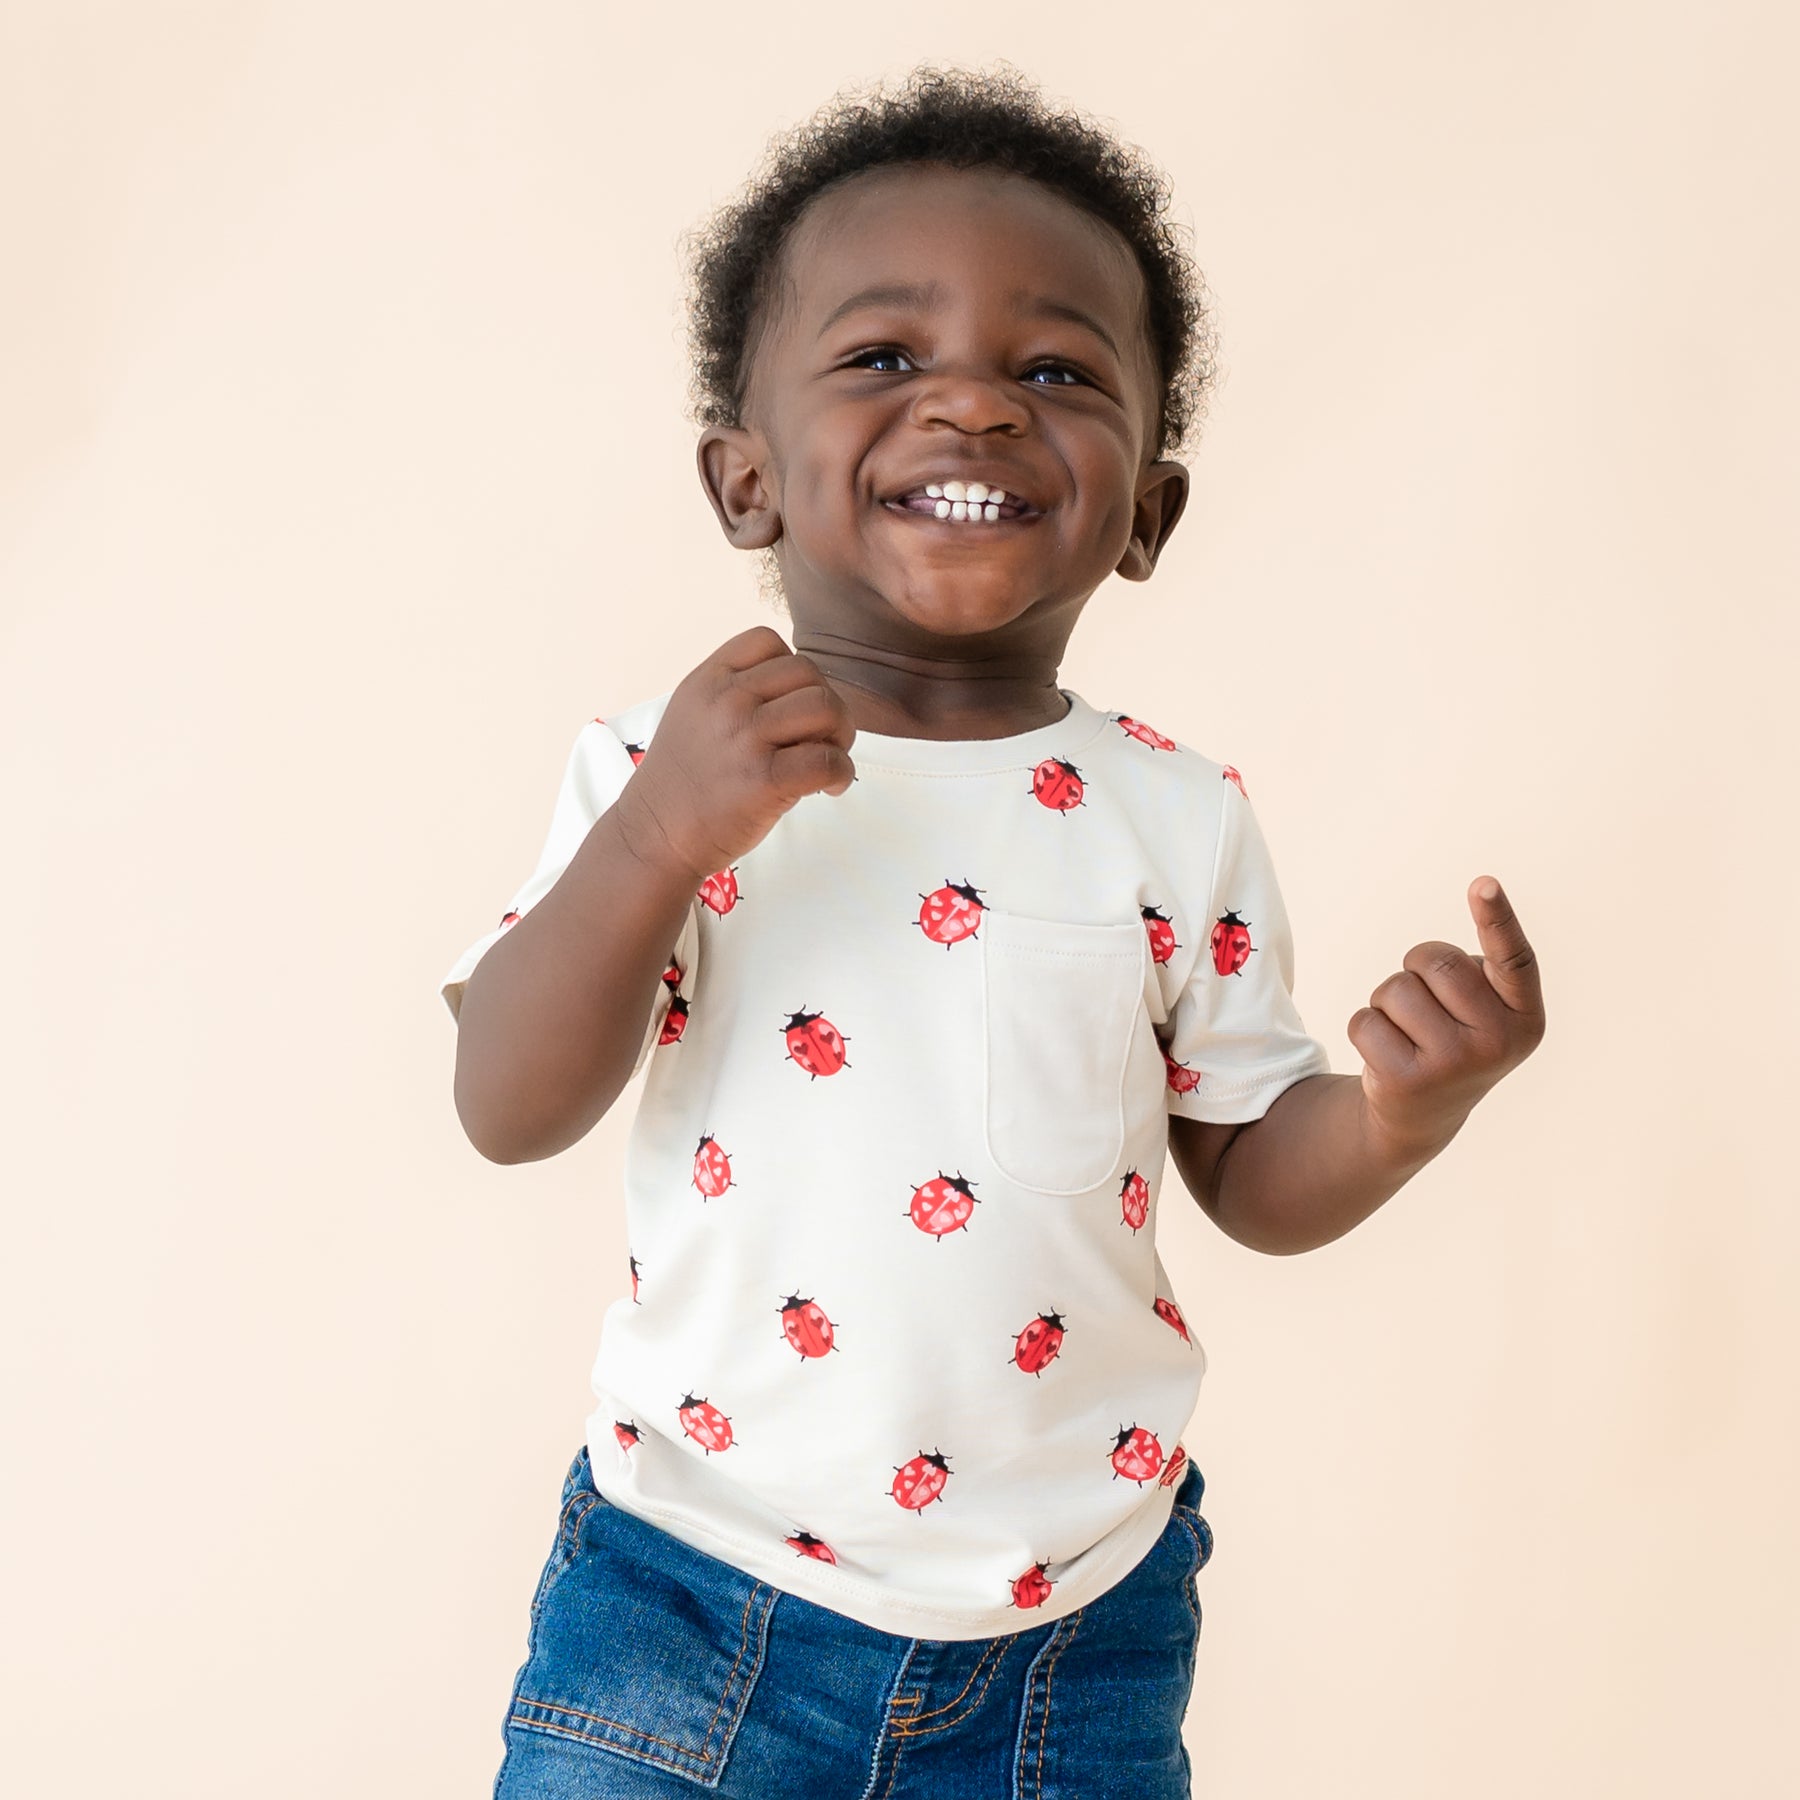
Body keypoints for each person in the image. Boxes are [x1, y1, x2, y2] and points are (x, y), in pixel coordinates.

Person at [441, 65, 1545, 1800]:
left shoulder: (1178, 819)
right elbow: (507, 1102)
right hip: (692, 1596)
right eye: (885, 358)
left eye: (1056, 373)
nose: (973, 406)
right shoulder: (660, 773)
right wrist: (659, 834)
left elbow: (1251, 1173)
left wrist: (1405, 1112)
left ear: (1148, 510)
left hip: (1074, 1636)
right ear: (745, 481)